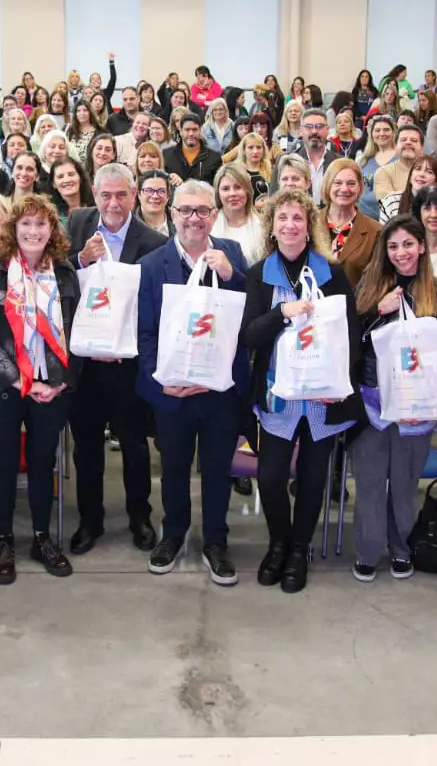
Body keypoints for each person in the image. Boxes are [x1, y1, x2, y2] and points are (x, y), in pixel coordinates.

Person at [241, 189, 359, 593]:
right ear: (272, 228)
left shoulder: (332, 272)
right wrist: (280, 313)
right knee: (271, 477)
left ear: (310, 228)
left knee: (312, 478)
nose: (290, 225)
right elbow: (249, 336)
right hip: (278, 395)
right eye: (282, 218)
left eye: (298, 218)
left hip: (323, 396)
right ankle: (279, 542)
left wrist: (341, 387)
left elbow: (351, 337)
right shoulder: (258, 274)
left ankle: (299, 550)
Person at [135, 179, 249, 585]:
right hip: (175, 392)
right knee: (175, 467)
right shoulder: (152, 264)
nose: (194, 219)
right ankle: (175, 533)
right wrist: (159, 383)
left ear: (214, 215)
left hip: (220, 392)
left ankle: (216, 541)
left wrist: (233, 276)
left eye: (202, 210)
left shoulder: (232, 255)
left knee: (218, 468)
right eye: (186, 210)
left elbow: (248, 318)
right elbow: (144, 334)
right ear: (172, 214)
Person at [0, 193, 81, 584]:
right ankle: (4, 540)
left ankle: (41, 537)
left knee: (41, 463)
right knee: (3, 464)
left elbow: (79, 334)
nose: (33, 231)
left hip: (51, 389)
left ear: (52, 230)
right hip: (7, 387)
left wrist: (60, 382)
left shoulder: (65, 274)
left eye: (41, 224)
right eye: (26, 224)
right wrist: (19, 381)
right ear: (13, 230)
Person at [64, 163, 166, 556]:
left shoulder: (153, 241)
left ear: (134, 194)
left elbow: (155, 304)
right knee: (86, 445)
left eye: (121, 195)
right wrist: (79, 261)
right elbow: (54, 276)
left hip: (128, 364)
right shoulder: (76, 226)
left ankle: (139, 516)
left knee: (135, 445)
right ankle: (90, 520)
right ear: (94, 193)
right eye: (106, 195)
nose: (113, 203)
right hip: (85, 363)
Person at [350, 215, 437, 582]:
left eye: (408, 244)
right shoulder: (370, 284)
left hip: (418, 405)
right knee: (371, 480)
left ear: (422, 246)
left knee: (406, 482)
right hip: (373, 400)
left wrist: (427, 405)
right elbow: (354, 341)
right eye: (393, 246)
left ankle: (401, 547)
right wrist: (379, 313)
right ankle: (367, 549)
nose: (401, 253)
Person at [323, 158, 380, 287]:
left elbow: (375, 282)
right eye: (337, 183)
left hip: (356, 305)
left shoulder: (376, 232)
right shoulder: (309, 223)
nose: (344, 189)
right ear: (327, 185)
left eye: (351, 183)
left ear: (360, 187)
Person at [212, 162, 265, 263]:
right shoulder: (209, 225)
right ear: (218, 193)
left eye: (238, 187)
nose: (232, 193)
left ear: (247, 190)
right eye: (225, 189)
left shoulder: (263, 225)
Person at [163, 112, 223, 186]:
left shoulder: (214, 157)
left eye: (194, 130)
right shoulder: (166, 155)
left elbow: (217, 187)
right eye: (187, 130)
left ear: (200, 131)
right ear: (180, 131)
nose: (191, 134)